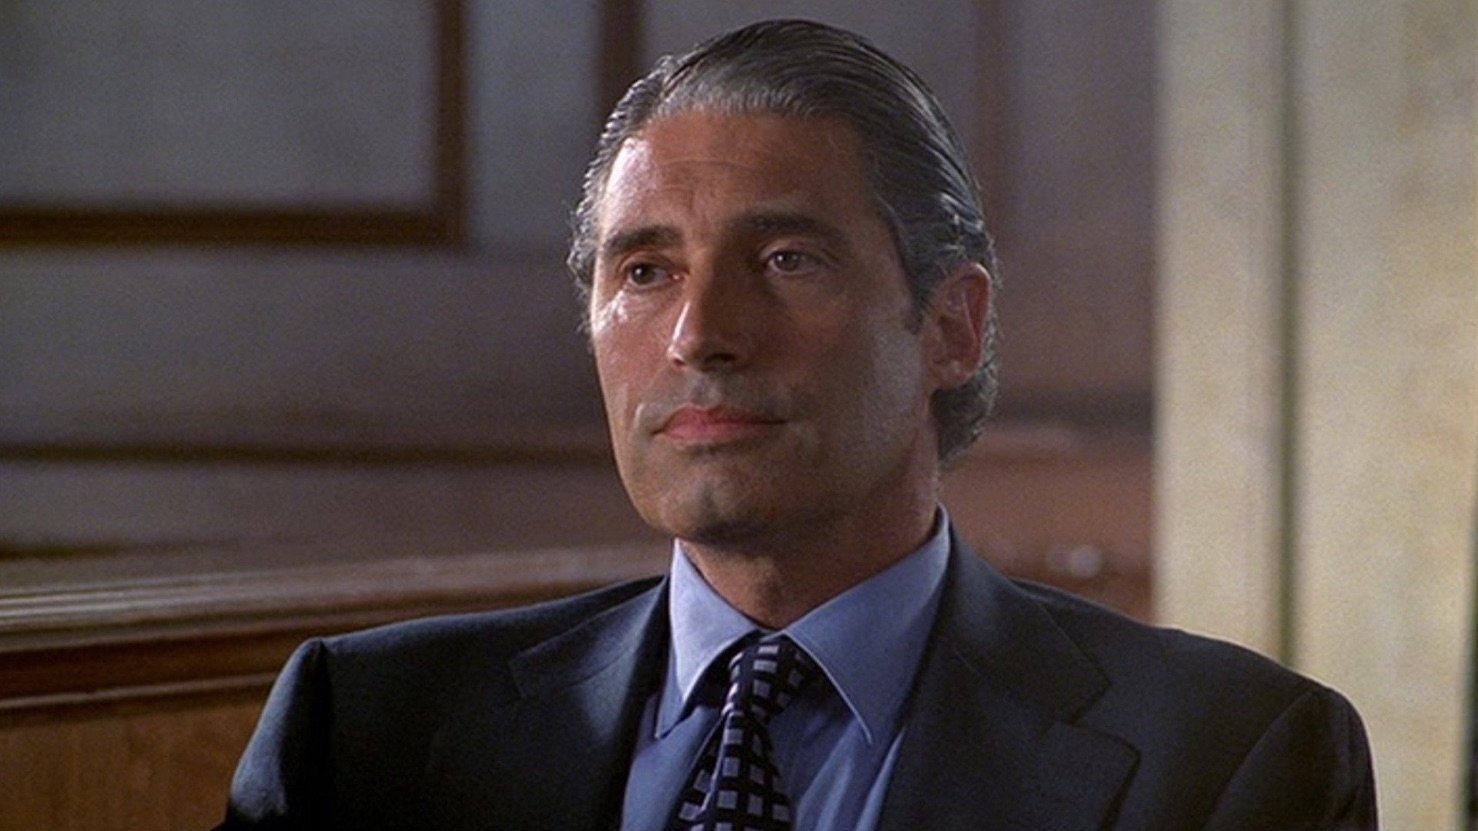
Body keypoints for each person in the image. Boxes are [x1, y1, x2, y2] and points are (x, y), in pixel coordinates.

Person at [217, 19, 1376, 830]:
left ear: (950, 326)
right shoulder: (362, 733)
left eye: (785, 259)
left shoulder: (1225, 760)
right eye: (644, 272)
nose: (699, 336)